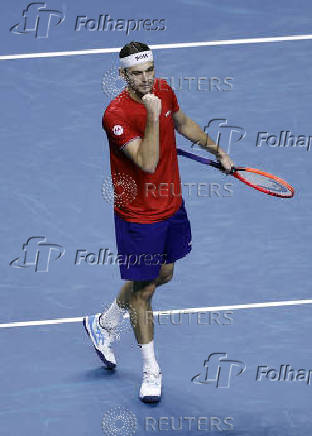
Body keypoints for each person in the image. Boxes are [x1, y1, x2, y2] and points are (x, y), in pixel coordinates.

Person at [84, 41, 233, 403]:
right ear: (123, 75)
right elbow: (147, 162)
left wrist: (218, 150)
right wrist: (152, 114)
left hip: (171, 204)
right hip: (138, 216)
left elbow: (181, 121)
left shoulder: (163, 89)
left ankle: (104, 323)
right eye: (137, 73)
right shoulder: (115, 115)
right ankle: (152, 369)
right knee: (145, 291)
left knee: (162, 275)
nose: (147, 79)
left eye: (150, 70)